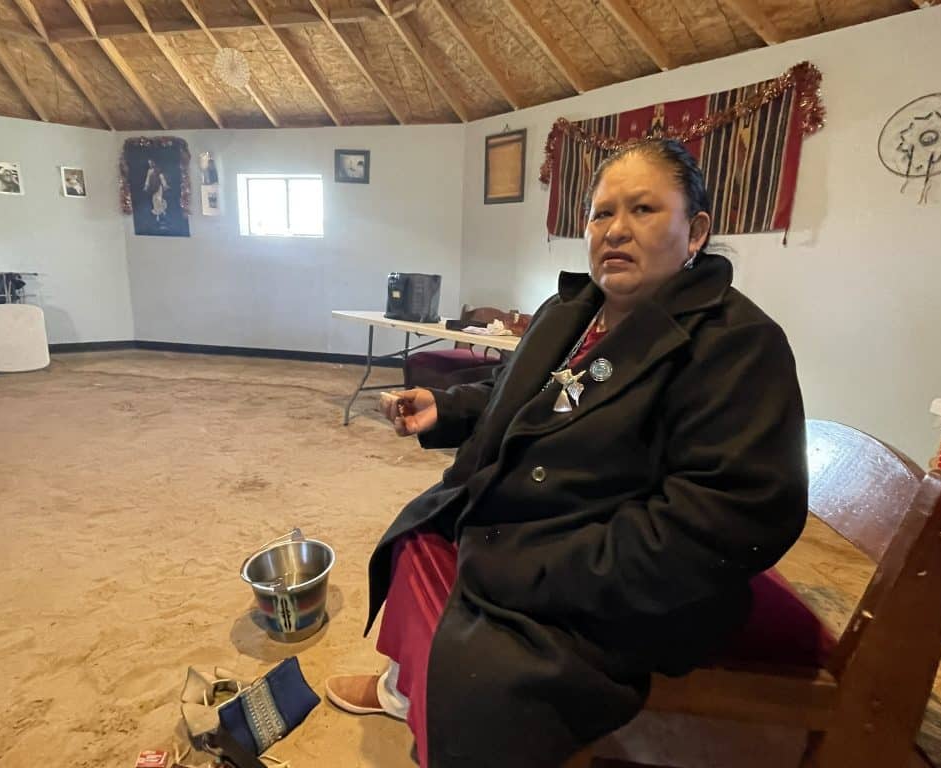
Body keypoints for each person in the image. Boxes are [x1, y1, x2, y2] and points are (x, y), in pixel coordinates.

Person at [325, 139, 808, 767]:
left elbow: (725, 519)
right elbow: (525, 392)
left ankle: (437, 705)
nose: (615, 230)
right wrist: (449, 407)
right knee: (421, 536)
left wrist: (542, 566)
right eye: (602, 213)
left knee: (485, 675)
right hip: (535, 523)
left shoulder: (736, 344)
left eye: (643, 209)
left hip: (614, 579)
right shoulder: (573, 310)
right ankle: (406, 688)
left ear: (696, 232)